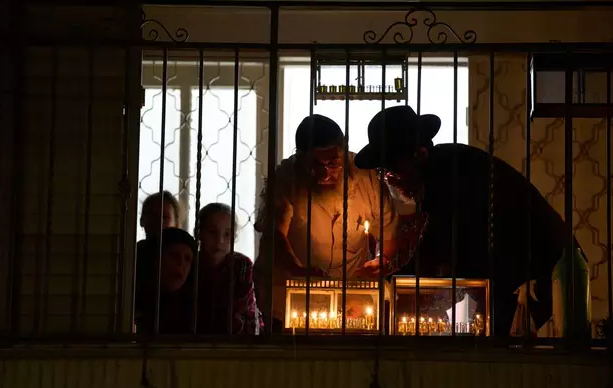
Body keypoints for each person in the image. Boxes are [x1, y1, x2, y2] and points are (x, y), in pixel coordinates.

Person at [353, 105, 591, 338]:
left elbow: (436, 248)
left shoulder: (447, 172)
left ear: (419, 155)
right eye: (384, 174)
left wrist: (388, 286)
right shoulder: (447, 163)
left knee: (493, 349)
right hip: (530, 269)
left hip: (548, 270)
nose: (390, 181)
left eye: (393, 172)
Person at [254, 114, 399, 331]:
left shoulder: (365, 177)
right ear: (300, 156)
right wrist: (299, 271)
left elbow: (388, 231)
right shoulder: (286, 179)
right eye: (315, 163)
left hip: (350, 300)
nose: (324, 172)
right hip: (289, 296)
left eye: (333, 163)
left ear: (344, 152)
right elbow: (275, 235)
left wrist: (382, 258)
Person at [197, 203, 262, 335]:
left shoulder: (241, 265)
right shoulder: (189, 262)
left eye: (227, 234)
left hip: (242, 340)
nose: (219, 240)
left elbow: (237, 313)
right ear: (198, 233)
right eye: (212, 232)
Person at [135, 227, 196, 334]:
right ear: (156, 259)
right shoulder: (132, 300)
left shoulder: (192, 308)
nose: (181, 263)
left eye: (187, 259)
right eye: (173, 255)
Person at [136, 191, 180, 299]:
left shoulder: (183, 257)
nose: (158, 221)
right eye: (153, 215)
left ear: (176, 224)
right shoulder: (133, 253)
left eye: (165, 217)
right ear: (142, 220)